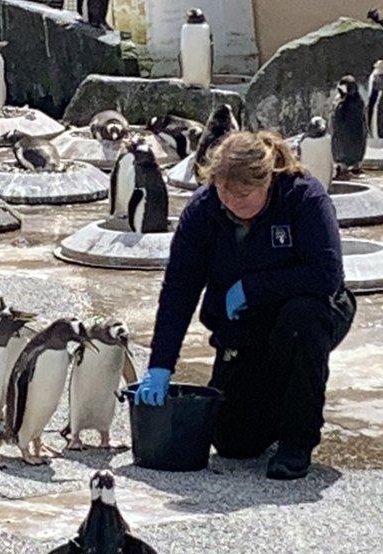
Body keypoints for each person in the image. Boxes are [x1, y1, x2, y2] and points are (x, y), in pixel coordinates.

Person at [133, 131, 356, 480]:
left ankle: (297, 439)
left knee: (300, 323)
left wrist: (255, 287)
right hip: (246, 320)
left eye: (243, 194)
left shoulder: (304, 198)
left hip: (311, 309)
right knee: (233, 442)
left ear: (266, 180)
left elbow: (326, 275)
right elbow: (180, 288)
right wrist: (160, 364)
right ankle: (273, 406)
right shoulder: (204, 210)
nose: (232, 202)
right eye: (224, 191)